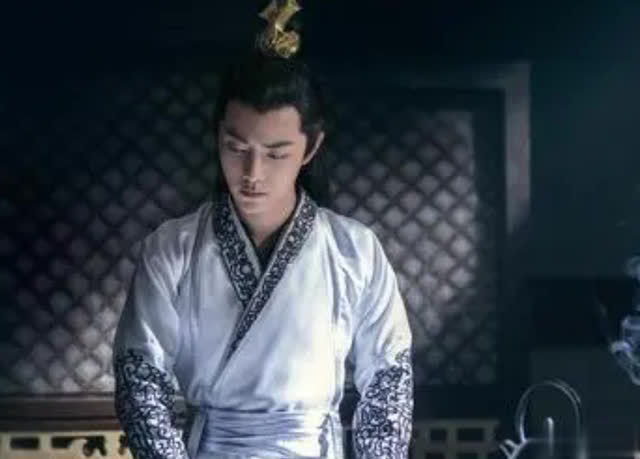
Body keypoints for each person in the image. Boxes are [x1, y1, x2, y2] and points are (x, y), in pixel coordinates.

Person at [112, 1, 413, 457]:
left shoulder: (354, 250)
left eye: (275, 154)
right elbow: (141, 381)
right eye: (237, 148)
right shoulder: (171, 249)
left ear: (310, 148)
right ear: (218, 137)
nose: (252, 173)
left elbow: (389, 381)